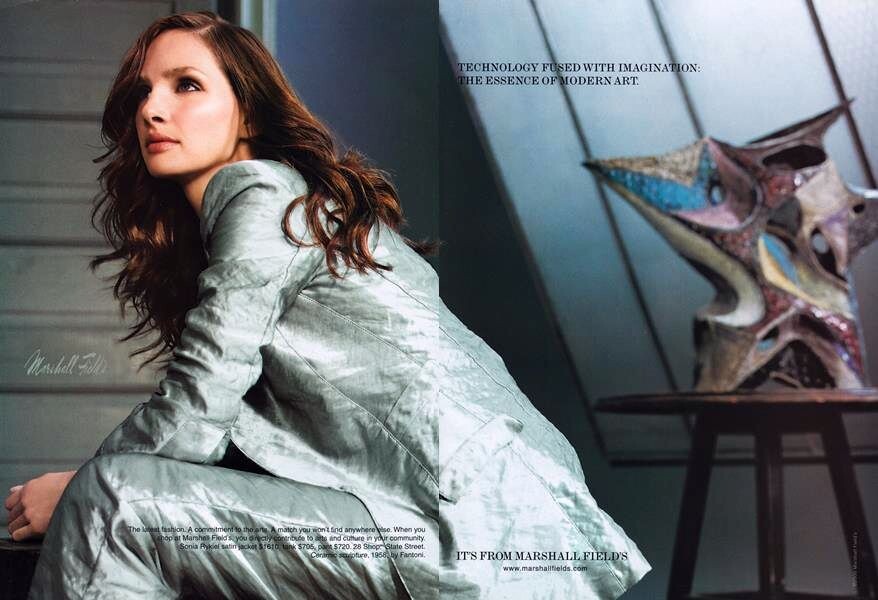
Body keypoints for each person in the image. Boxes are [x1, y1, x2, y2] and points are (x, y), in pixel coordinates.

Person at [4, 11, 650, 599]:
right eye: (143, 92)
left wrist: (75, 488)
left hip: (461, 529)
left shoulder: (261, 196)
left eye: (187, 85)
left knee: (114, 502)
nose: (152, 109)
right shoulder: (277, 212)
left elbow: (197, 409)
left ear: (249, 116)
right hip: (479, 524)